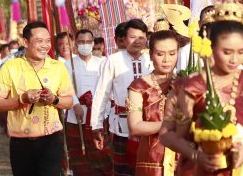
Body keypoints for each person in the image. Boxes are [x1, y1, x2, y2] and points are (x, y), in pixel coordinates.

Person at [160, 3, 243, 175]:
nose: (234, 59)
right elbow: (166, 133)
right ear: (212, 46)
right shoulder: (188, 85)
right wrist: (195, 154)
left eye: (240, 52)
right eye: (226, 52)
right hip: (200, 167)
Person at [0, 21, 74, 176]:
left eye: (48, 41)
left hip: (51, 140)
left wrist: (54, 100)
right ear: (25, 42)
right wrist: (22, 98)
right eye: (39, 41)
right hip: (20, 142)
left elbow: (69, 102)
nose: (45, 45)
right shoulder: (11, 67)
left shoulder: (58, 67)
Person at [92, 18, 150, 176]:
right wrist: (96, 124)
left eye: (141, 37)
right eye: (132, 37)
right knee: (123, 171)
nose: (137, 41)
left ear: (146, 38)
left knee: (147, 168)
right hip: (122, 125)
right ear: (124, 39)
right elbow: (101, 93)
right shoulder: (113, 60)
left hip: (149, 124)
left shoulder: (152, 59)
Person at [128, 30, 180, 176]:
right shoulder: (138, 86)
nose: (166, 60)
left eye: (172, 53)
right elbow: (135, 126)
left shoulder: (186, 83)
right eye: (160, 54)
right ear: (150, 55)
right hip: (152, 160)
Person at [64, 29, 111, 176]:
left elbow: (108, 89)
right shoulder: (67, 64)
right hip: (75, 117)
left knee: (101, 156)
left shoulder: (103, 63)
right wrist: (75, 104)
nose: (85, 45)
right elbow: (66, 87)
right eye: (81, 42)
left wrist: (103, 111)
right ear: (75, 43)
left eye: (88, 42)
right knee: (80, 158)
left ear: (93, 43)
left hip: (98, 117)